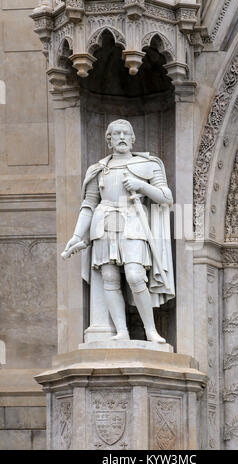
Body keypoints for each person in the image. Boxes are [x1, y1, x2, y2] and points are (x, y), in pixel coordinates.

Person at [64, 119, 175, 343]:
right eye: (116, 134)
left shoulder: (148, 165)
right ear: (109, 139)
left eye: (126, 133)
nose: (122, 137)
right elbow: (89, 204)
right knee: (109, 278)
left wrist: (141, 185)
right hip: (103, 224)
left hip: (133, 223)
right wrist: (77, 235)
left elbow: (166, 197)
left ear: (133, 139)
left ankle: (150, 330)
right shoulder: (98, 169)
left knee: (135, 276)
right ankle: (122, 330)